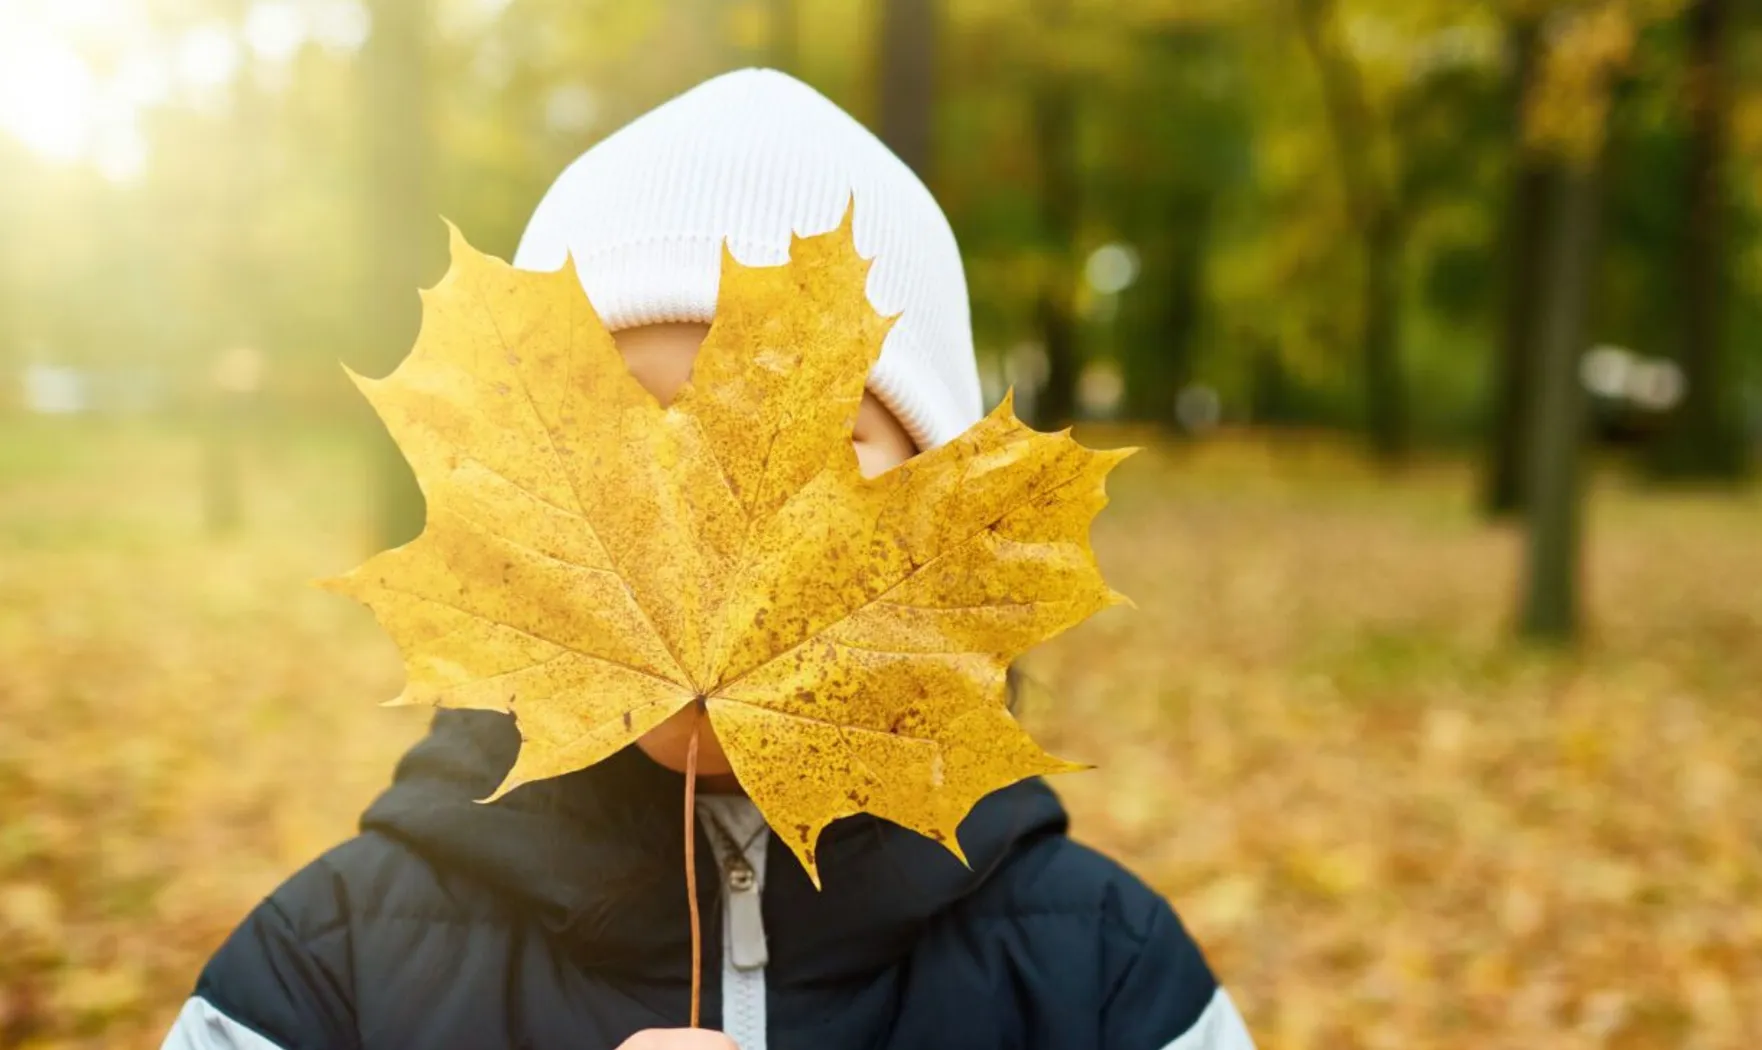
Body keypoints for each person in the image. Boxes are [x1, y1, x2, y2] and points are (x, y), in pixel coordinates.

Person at [162, 69, 1254, 1050]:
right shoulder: (322, 978)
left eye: (818, 446)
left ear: (939, 527)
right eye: (638, 430)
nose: (705, 523)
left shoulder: (1112, 981)